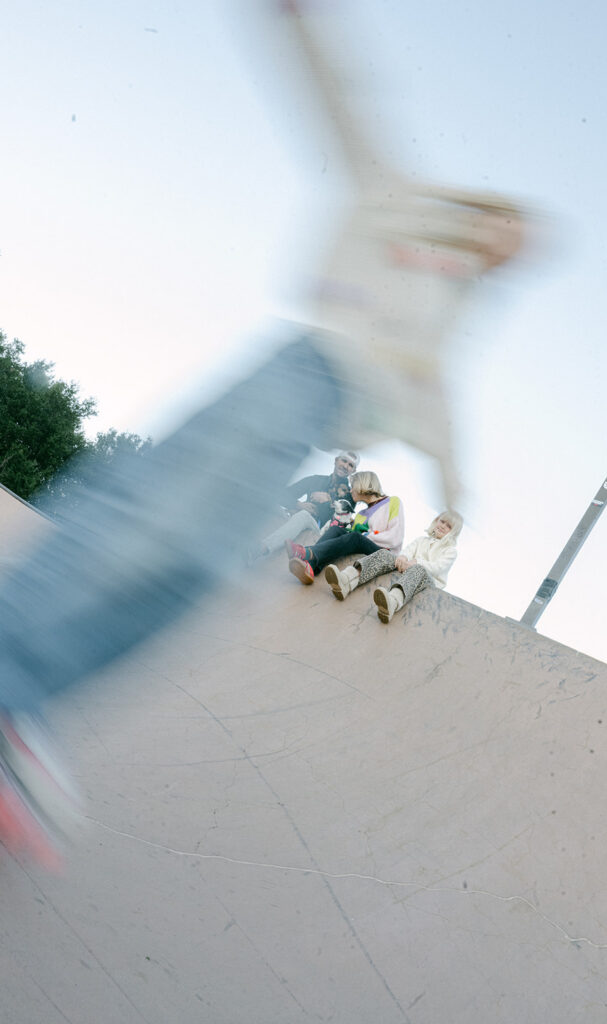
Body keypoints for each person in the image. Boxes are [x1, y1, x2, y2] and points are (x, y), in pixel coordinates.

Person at [0, 1, 528, 866]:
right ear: (481, 215)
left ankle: (21, 697)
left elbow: (438, 409)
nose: (509, 252)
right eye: (507, 231)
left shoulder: (450, 322)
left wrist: (459, 498)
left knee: (188, 577)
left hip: (308, 428)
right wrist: (299, 22)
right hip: (293, 376)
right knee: (146, 526)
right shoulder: (397, 205)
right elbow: (346, 108)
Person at [324, 510, 462, 623]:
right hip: (408, 569)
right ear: (436, 521)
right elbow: (408, 551)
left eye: (449, 526)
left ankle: (392, 603)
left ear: (453, 532)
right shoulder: (421, 540)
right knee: (385, 554)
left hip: (428, 581)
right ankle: (347, 580)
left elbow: (438, 567)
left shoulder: (450, 551)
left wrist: (416, 562)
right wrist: (402, 558)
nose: (443, 526)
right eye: (442, 521)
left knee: (418, 569)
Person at [287, 471, 404, 584]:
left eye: (353, 486)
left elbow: (395, 537)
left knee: (355, 537)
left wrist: (365, 535)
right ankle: (311, 567)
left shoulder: (392, 502)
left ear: (362, 485)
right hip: (364, 545)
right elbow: (347, 542)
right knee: (336, 530)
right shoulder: (361, 514)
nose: (351, 490)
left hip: (386, 554)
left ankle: (307, 552)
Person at [255, 450, 358, 558]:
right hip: (296, 517)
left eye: (350, 465)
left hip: (319, 532)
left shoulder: (350, 496)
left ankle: (261, 548)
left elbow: (339, 523)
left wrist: (328, 501)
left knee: (304, 516)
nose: (345, 466)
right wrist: (298, 504)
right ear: (336, 460)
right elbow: (283, 494)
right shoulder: (316, 480)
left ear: (353, 470)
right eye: (344, 461)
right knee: (270, 504)